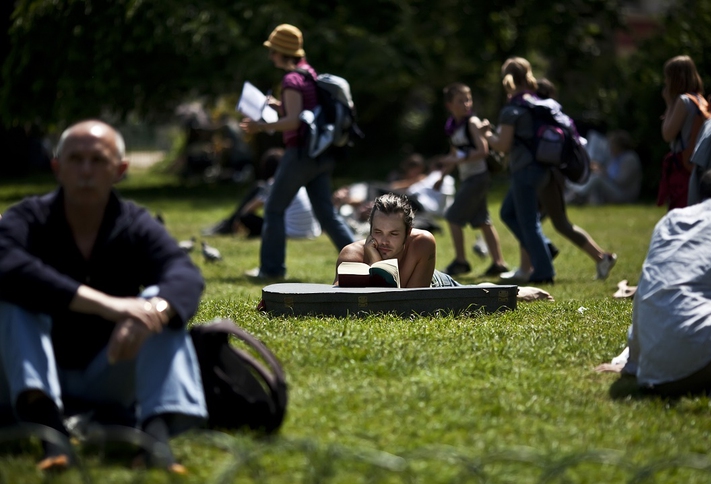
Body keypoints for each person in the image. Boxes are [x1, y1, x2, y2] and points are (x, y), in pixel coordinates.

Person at [0, 120, 207, 472]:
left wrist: (152, 310)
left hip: (108, 366)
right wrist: (107, 305)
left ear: (120, 170)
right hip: (27, 375)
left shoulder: (135, 223)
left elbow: (184, 273)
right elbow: (6, 261)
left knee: (160, 303)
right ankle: (51, 437)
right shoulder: (29, 218)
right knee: (17, 298)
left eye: (97, 161)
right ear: (57, 167)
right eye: (75, 159)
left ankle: (154, 444)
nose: (85, 171)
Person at [619, 167, 711, 412]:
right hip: (703, 348)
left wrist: (634, 361)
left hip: (655, 373)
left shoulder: (670, 222)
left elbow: (647, 289)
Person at [240, 24, 355, 280]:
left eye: (273, 51)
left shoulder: (291, 79)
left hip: (300, 154)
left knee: (273, 210)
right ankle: (364, 261)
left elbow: (294, 121)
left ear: (283, 52)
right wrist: (279, 105)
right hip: (321, 155)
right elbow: (305, 111)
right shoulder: (308, 74)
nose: (271, 57)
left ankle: (271, 270)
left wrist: (260, 126)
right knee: (327, 214)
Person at [334, 193, 553, 301]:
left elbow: (407, 303)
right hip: (412, 285)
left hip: (433, 284)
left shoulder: (421, 243)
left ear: (408, 233)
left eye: (394, 234)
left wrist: (376, 264)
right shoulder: (351, 255)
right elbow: (333, 298)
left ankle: (515, 291)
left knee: (473, 294)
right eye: (378, 232)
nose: (383, 241)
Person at [482, 57, 555, 284]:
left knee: (528, 222)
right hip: (543, 168)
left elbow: (502, 145)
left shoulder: (513, 108)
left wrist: (485, 133)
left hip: (525, 170)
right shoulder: (537, 102)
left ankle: (544, 272)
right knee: (508, 213)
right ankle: (543, 248)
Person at [436, 83, 508, 277]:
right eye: (460, 100)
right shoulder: (452, 126)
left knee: (452, 217)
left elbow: (483, 151)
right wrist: (442, 176)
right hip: (469, 176)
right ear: (449, 105)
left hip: (478, 177)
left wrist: (459, 159)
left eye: (468, 99)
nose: (466, 104)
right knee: (482, 221)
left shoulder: (472, 122)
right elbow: (454, 154)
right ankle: (499, 264)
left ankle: (461, 262)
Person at [202, 148, 321, 239]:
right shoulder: (297, 181)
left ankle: (227, 225)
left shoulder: (273, 184)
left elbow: (247, 211)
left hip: (289, 232)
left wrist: (237, 221)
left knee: (247, 212)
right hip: (310, 231)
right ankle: (227, 224)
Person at [657, 55, 709, 210]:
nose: (665, 82)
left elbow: (667, 134)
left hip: (682, 165)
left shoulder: (682, 101)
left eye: (667, 77)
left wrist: (668, 104)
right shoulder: (700, 99)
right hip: (697, 162)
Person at [566, 130, 643, 205]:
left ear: (619, 145)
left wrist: (603, 172)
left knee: (597, 178)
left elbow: (621, 181)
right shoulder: (615, 158)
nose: (610, 147)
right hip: (616, 190)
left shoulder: (630, 158)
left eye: (612, 144)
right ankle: (590, 203)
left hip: (624, 194)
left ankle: (577, 195)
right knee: (594, 177)